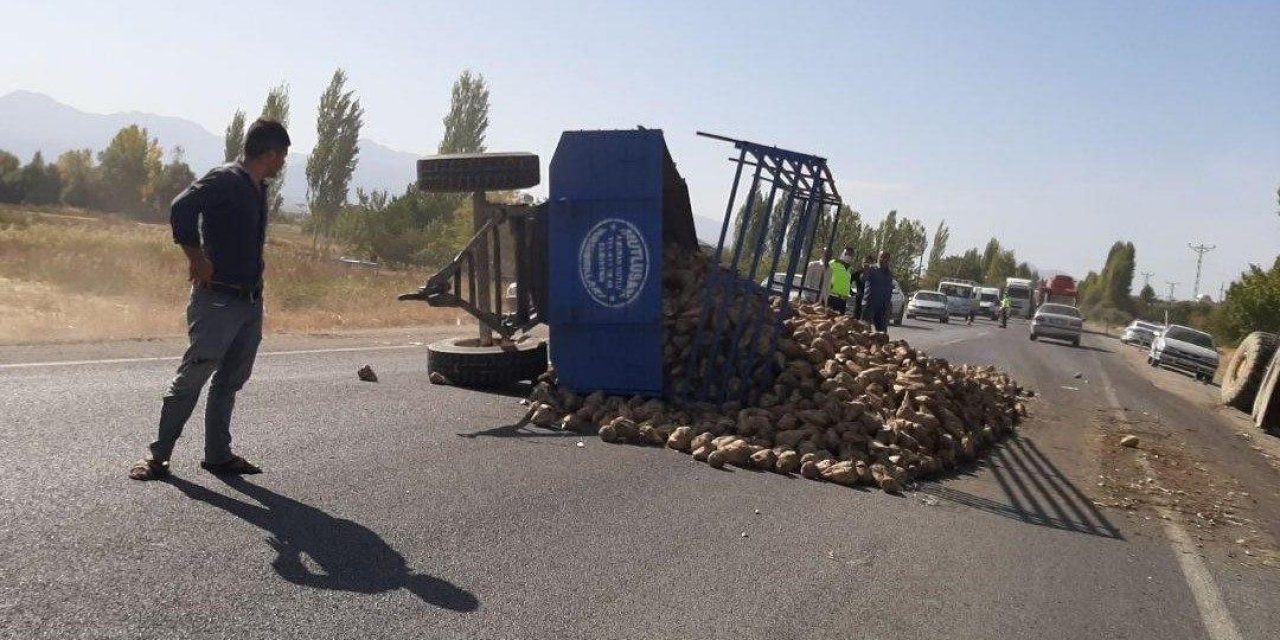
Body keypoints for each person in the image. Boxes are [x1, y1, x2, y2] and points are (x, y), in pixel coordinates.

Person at [129, 119, 291, 481]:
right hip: (217, 301)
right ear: (270, 153)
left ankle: (218, 456)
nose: (283, 162)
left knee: (229, 381)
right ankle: (157, 457)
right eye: (282, 155)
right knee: (193, 378)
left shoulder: (257, 187)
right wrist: (195, 256)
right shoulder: (226, 179)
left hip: (249, 302)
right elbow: (181, 207)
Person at [862, 250, 895, 333]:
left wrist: (888, 305)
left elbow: (889, 288)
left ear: (889, 260)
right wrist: (865, 271)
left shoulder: (889, 273)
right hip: (870, 305)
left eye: (886, 258)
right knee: (866, 331)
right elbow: (863, 279)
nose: (883, 259)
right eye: (882, 257)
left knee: (882, 333)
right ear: (878, 258)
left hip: (883, 307)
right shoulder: (871, 269)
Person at [825, 247, 855, 314]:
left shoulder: (849, 268)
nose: (848, 256)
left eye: (851, 255)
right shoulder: (833, 263)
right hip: (832, 297)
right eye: (847, 254)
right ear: (842, 254)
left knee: (840, 319)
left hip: (843, 300)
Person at [852, 254, 874, 320]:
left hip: (869, 303)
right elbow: (848, 281)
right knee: (856, 321)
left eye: (868, 262)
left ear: (871, 263)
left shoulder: (874, 275)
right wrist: (851, 292)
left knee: (865, 322)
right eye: (864, 262)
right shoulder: (858, 273)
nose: (865, 264)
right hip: (859, 301)